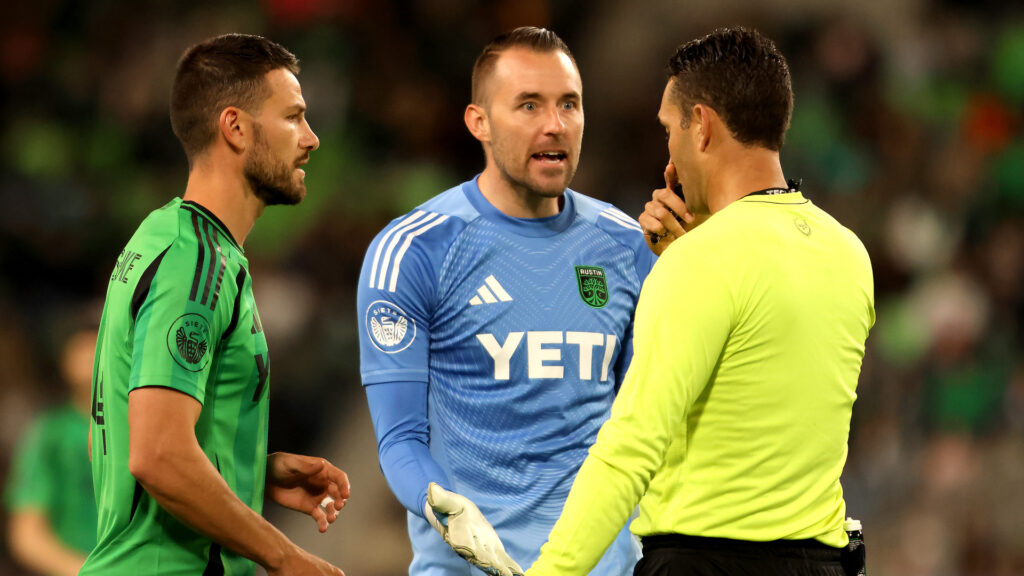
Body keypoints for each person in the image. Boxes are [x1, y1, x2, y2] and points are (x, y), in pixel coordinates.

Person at [527, 27, 875, 576]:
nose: (669, 149)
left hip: (705, 563)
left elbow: (631, 448)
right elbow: (759, 371)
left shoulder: (702, 263)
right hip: (823, 563)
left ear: (703, 127)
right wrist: (699, 243)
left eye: (670, 129)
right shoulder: (849, 255)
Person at [356, 26, 655, 576]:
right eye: (529, 105)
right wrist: (444, 505)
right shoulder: (416, 249)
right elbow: (400, 440)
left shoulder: (628, 246)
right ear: (479, 123)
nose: (555, 124)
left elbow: (649, 426)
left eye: (569, 103)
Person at [81, 33, 349, 576]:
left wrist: (252, 471)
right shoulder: (197, 260)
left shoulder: (165, 238)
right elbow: (156, 454)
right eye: (294, 117)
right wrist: (285, 557)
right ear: (235, 127)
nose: (312, 138)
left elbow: (129, 436)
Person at [4, 327, 98, 576]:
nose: (91, 355)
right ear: (64, 360)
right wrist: (86, 572)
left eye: (98, 344)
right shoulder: (50, 433)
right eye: (82, 347)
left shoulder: (142, 428)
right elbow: (26, 532)